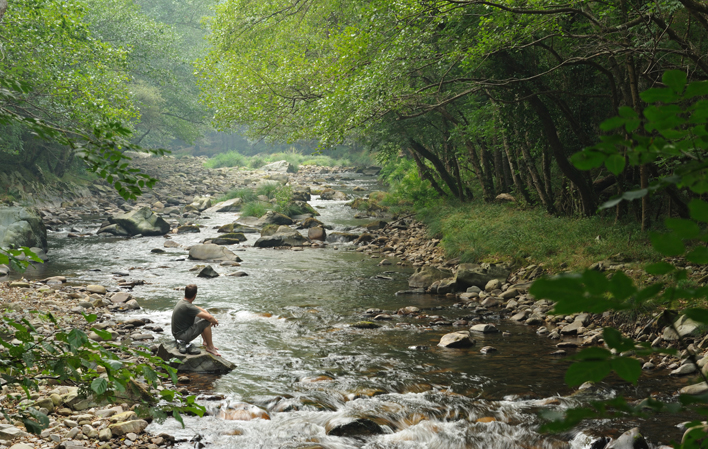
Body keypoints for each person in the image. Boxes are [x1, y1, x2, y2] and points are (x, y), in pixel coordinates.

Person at [171, 284, 220, 356]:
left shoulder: (183, 302)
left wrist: (211, 317)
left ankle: (205, 342)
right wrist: (215, 321)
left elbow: (197, 308)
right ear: (195, 295)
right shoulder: (188, 306)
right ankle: (210, 347)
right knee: (206, 322)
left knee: (201, 316)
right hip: (182, 337)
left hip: (178, 333)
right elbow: (209, 318)